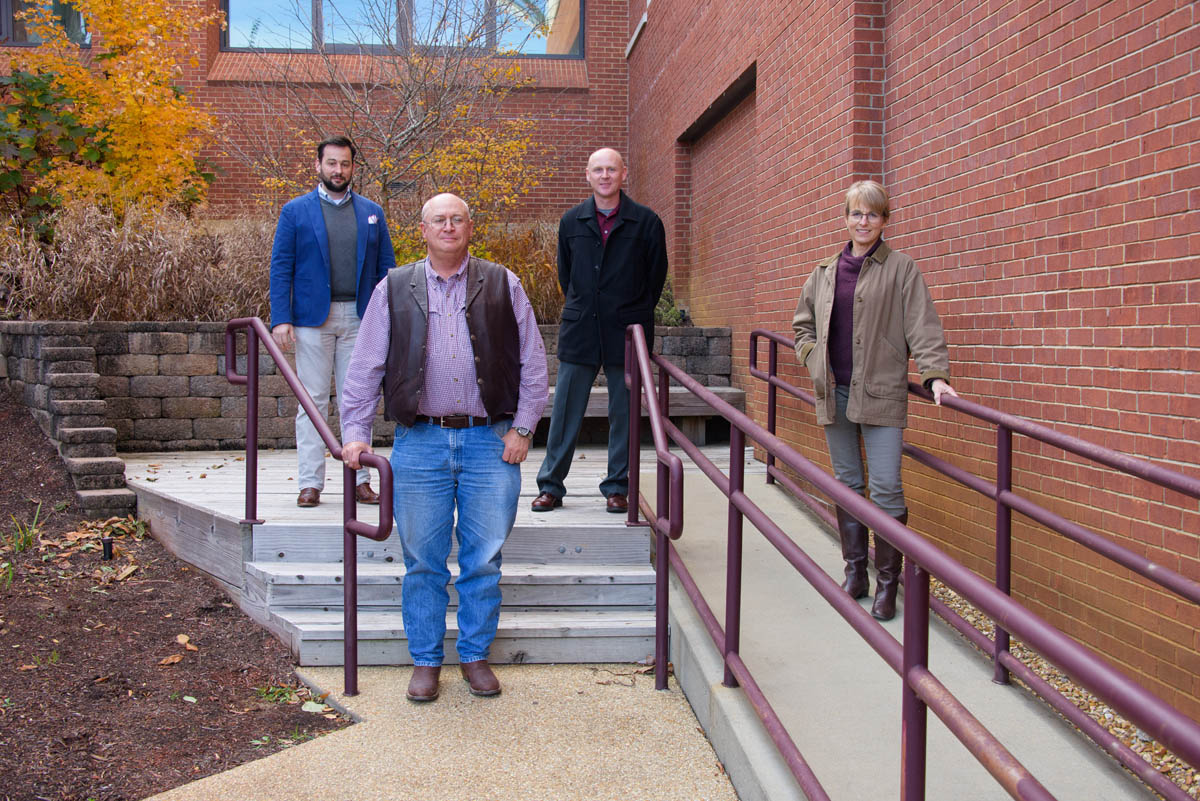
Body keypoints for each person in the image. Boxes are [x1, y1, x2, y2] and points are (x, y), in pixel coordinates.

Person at [340, 193, 549, 702]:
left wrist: (523, 429)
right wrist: (355, 431)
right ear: (423, 230)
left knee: (484, 560)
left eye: (457, 219)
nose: (449, 226)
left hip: (490, 442)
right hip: (420, 443)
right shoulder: (393, 288)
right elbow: (365, 366)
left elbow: (534, 363)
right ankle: (426, 660)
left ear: (469, 227)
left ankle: (475, 656)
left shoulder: (504, 283)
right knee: (423, 561)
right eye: (440, 220)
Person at [792, 180, 957, 621]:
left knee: (885, 487)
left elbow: (923, 326)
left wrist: (935, 376)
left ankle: (888, 584)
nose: (863, 222)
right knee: (847, 484)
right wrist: (812, 361)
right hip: (834, 393)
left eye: (872, 214)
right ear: (845, 217)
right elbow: (802, 328)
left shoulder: (902, 268)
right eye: (856, 214)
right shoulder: (824, 272)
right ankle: (855, 572)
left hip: (881, 393)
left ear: (885, 220)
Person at [532, 148, 668, 514]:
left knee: (623, 413)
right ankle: (551, 486)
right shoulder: (571, 221)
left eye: (611, 169)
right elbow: (567, 276)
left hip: (627, 331)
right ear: (587, 176)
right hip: (581, 329)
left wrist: (630, 311)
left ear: (624, 174)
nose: (605, 175)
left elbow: (655, 280)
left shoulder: (646, 222)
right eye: (598, 170)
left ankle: (617, 487)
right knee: (565, 412)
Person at [269, 135, 396, 508]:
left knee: (358, 399)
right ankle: (310, 483)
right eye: (331, 164)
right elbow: (281, 267)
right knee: (311, 401)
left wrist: (387, 315)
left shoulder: (371, 211)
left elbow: (386, 267)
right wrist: (281, 318)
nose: (338, 170)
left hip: (361, 317)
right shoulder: (295, 211)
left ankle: (360, 479)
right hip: (311, 319)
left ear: (353, 167)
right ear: (318, 166)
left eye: (344, 164)